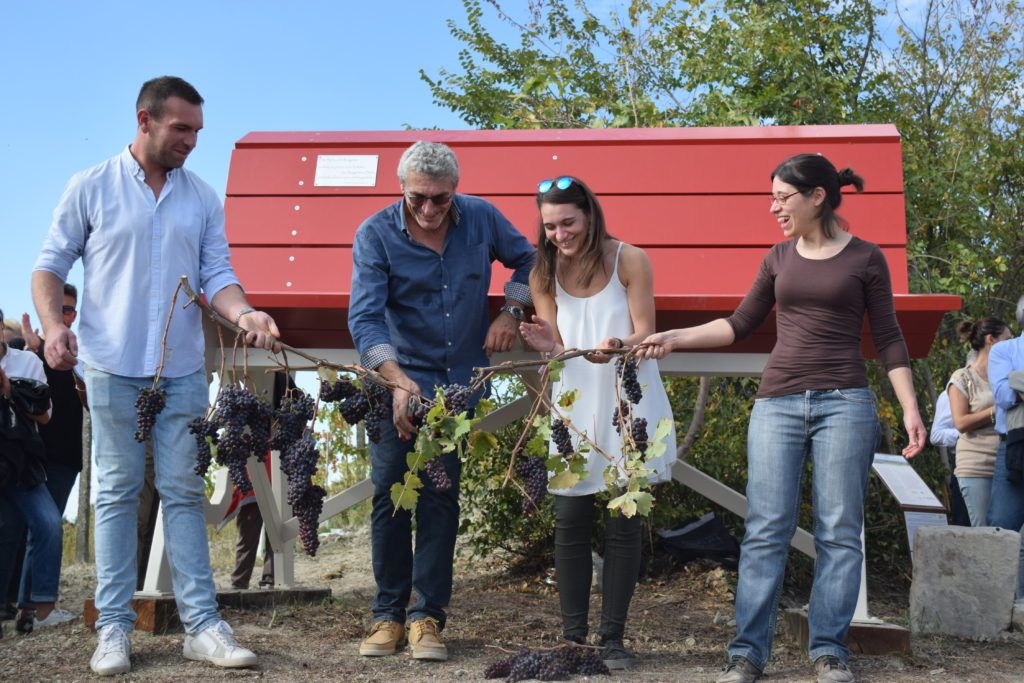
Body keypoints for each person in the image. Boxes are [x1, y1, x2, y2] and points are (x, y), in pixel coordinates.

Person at [638, 153, 926, 683]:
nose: (774, 207)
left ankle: (829, 651)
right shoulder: (777, 257)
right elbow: (741, 323)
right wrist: (674, 338)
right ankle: (747, 653)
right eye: (770, 196)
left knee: (839, 531)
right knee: (766, 529)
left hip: (845, 403)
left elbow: (887, 336)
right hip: (778, 404)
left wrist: (910, 407)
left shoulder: (866, 258)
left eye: (782, 197)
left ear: (817, 196)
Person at [32, 76, 279, 676]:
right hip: (113, 367)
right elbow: (50, 264)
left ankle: (202, 626)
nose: (192, 141)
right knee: (114, 495)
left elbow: (217, 272)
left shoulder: (201, 197)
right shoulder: (89, 186)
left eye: (197, 130)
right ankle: (113, 629)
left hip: (184, 371)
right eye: (181, 129)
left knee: (184, 494)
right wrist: (53, 327)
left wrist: (244, 311)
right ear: (145, 120)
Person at [348, 140, 535, 661]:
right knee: (390, 494)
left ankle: (427, 618)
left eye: (441, 198)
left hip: (459, 384)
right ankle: (385, 616)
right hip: (396, 381)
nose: (430, 209)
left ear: (456, 190)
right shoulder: (375, 234)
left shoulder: (481, 217)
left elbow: (532, 260)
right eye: (418, 198)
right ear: (401, 188)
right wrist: (395, 379)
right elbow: (364, 320)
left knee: (439, 496)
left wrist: (510, 312)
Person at [518, 175, 676, 670]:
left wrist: (620, 345)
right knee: (569, 521)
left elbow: (645, 330)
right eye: (550, 227)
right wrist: (548, 347)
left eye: (568, 222)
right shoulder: (541, 271)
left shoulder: (630, 258)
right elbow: (559, 343)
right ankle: (573, 638)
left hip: (628, 401)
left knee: (623, 522)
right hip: (574, 402)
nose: (560, 234)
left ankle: (613, 639)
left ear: (589, 214)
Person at [0, 308, 64, 634]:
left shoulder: (26, 363)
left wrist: (10, 391)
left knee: (49, 523)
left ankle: (40, 605)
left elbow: (45, 416)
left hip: (21, 463)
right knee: (7, 529)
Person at [947, 318, 1011, 526]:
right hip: (975, 468)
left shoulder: (1009, 376)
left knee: (1011, 537)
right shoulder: (962, 377)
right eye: (1007, 339)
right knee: (985, 536)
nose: (1011, 345)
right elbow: (961, 422)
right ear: (991, 340)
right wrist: (995, 410)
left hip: (1008, 465)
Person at [987, 295, 1024, 601]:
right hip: (1014, 446)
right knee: (1002, 530)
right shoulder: (1004, 349)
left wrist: (1019, 381)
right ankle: (994, 605)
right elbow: (1004, 396)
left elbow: (1015, 389)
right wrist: (1015, 386)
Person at [929, 388, 971, 527]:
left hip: (1004, 460)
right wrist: (968, 435)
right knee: (965, 525)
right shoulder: (955, 389)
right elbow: (936, 435)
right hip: (965, 464)